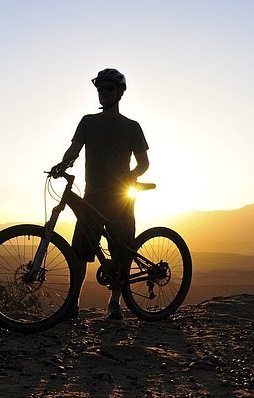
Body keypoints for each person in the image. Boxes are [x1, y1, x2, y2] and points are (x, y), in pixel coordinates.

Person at [59, 68, 149, 320]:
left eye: (108, 88)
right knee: (79, 253)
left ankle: (115, 302)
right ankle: (72, 304)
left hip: (120, 197)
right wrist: (62, 165)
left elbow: (144, 164)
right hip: (93, 196)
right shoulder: (88, 122)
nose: (102, 93)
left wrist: (130, 177)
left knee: (120, 251)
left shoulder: (132, 127)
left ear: (119, 93)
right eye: (100, 89)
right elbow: (73, 149)